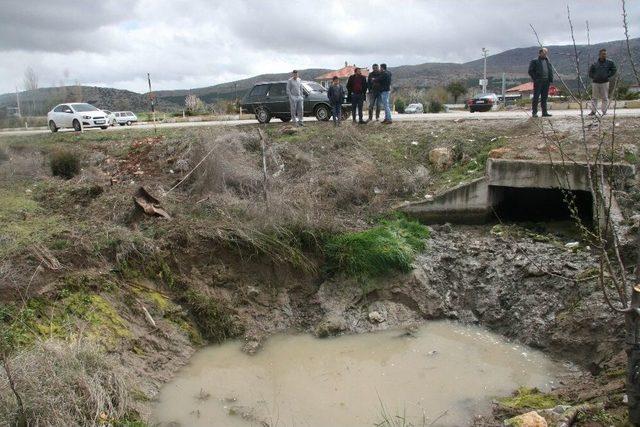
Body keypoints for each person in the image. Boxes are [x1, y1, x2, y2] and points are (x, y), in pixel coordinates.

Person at [588, 48, 617, 116]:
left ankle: (604, 111)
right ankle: (593, 111)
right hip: (595, 82)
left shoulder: (610, 62)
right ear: (599, 55)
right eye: (603, 54)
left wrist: (608, 75)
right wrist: (594, 77)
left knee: (605, 98)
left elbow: (614, 70)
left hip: (605, 82)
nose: (604, 55)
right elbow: (590, 72)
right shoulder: (594, 63)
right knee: (594, 98)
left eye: (605, 54)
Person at [528, 48, 553, 117]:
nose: (545, 54)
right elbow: (530, 71)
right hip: (538, 82)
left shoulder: (547, 61)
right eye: (544, 53)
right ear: (540, 53)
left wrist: (550, 79)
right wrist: (535, 79)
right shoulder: (534, 61)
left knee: (544, 98)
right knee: (536, 97)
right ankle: (534, 113)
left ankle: (544, 112)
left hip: (546, 82)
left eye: (546, 53)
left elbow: (550, 70)